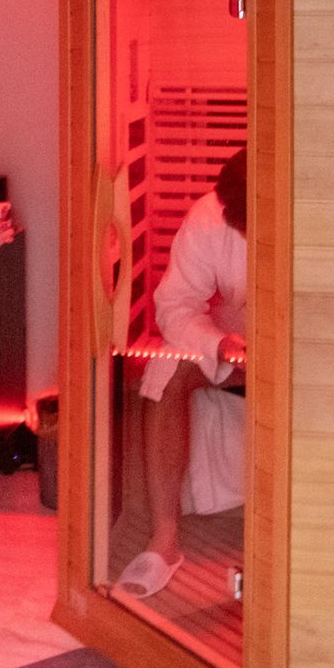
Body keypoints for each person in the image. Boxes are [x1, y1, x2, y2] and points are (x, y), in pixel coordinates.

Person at [117, 147, 247, 599]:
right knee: (165, 371)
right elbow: (174, 304)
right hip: (237, 353)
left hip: (305, 352)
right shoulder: (209, 217)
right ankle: (165, 540)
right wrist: (220, 343)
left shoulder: (322, 216)